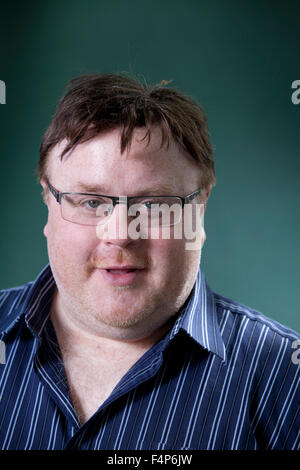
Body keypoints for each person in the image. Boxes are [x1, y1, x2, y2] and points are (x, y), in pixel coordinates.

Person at [0, 73, 299, 451]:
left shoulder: (286, 379)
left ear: (200, 209)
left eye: (154, 205)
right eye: (92, 202)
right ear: (48, 201)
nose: (121, 233)